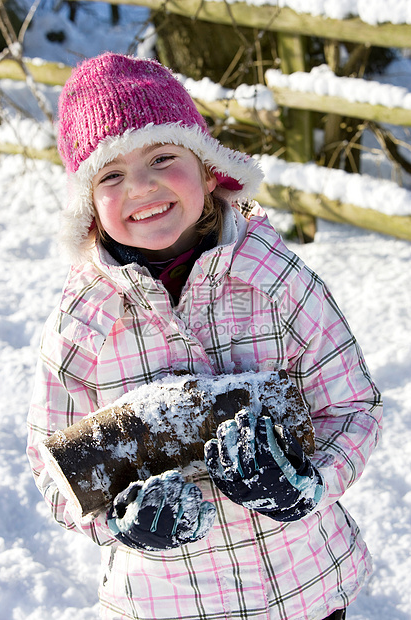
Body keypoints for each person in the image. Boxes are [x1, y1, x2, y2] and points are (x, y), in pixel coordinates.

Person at [27, 52, 382, 620]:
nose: (141, 187)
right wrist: (121, 524)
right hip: (170, 602)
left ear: (209, 170)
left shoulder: (275, 281)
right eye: (111, 175)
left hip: (303, 590)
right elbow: (53, 465)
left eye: (161, 157)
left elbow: (353, 405)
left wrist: (309, 482)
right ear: (90, 209)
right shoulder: (83, 324)